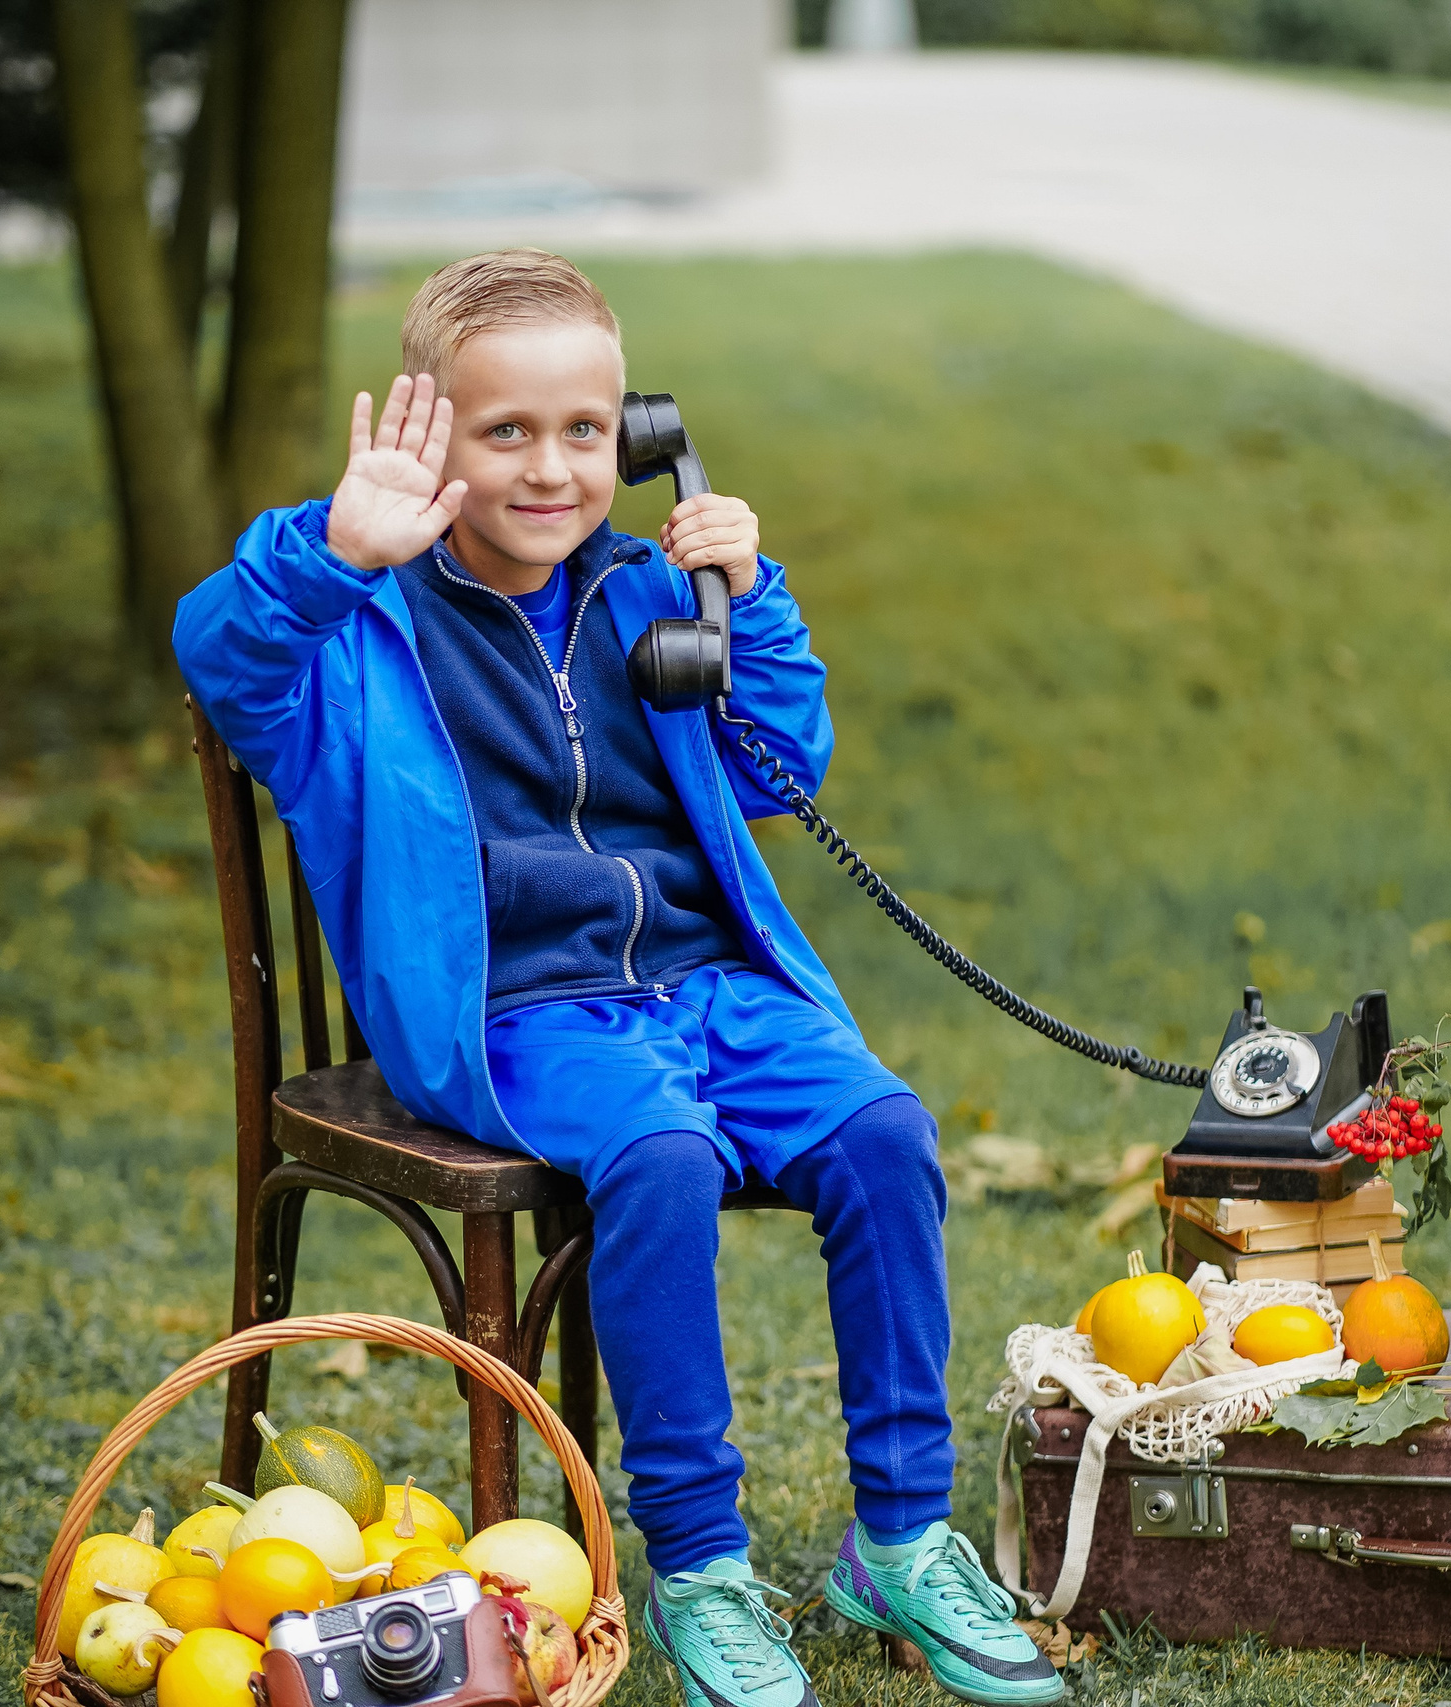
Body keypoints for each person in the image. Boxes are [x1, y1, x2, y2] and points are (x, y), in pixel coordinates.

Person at [173, 250, 1062, 1707]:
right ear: (433, 438)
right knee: (658, 1159)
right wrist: (334, 553)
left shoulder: (649, 591)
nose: (550, 468)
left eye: (585, 430)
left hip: (710, 983)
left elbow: (781, 767)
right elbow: (222, 657)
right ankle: (700, 1564)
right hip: (519, 1012)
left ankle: (903, 1536)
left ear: (636, 433)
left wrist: (747, 595)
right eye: (505, 432)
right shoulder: (359, 629)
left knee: (888, 1138)